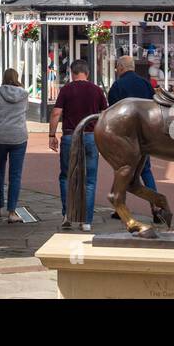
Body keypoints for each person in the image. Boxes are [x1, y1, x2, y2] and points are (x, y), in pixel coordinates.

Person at [49, 59, 107, 230]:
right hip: (90, 137)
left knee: (66, 176)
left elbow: (56, 113)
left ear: (72, 73)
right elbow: (104, 116)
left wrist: (52, 135)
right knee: (89, 180)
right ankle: (86, 221)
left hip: (70, 136)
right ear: (87, 73)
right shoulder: (97, 91)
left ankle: (67, 215)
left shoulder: (66, 89)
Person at [106, 56, 157, 201]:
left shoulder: (118, 85)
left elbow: (112, 112)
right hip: (144, 134)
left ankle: (119, 207)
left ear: (121, 67)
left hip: (125, 136)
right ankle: (157, 207)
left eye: (117, 67)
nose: (117, 70)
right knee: (146, 170)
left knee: (122, 171)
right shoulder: (145, 84)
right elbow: (154, 108)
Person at [0, 69, 29, 223]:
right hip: (19, 137)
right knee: (15, 175)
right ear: (17, 78)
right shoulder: (24, 94)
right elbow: (24, 112)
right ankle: (12, 212)